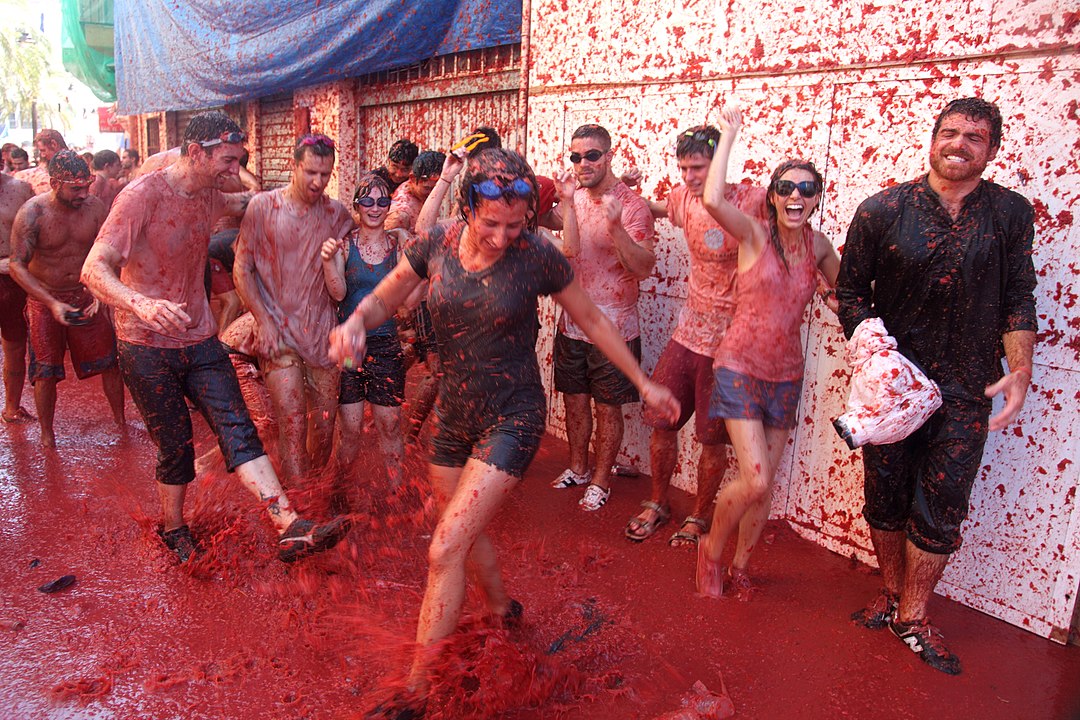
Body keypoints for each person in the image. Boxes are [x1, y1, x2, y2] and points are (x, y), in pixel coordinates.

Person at [329, 148, 678, 718]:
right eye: (490, 223)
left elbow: (591, 317)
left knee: (444, 547)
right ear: (467, 208)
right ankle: (502, 608)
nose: (501, 236)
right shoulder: (435, 244)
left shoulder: (537, 254)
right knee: (460, 531)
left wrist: (641, 380)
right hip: (455, 417)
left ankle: (415, 692)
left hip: (512, 415)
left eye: (515, 225)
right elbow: (385, 296)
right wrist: (353, 326)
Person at [81, 111, 349, 564]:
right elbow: (94, 268)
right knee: (175, 444)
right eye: (228, 161)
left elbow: (256, 203)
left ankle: (289, 525)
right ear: (195, 153)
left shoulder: (210, 194)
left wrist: (315, 203)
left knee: (238, 427)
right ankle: (173, 528)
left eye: (237, 160)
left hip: (200, 337)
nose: (233, 170)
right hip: (144, 342)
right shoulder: (140, 196)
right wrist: (140, 303)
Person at [836, 97, 1037, 675]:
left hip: (968, 387)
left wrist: (1018, 369)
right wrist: (874, 354)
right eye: (950, 132)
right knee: (885, 495)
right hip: (894, 387)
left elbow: (1018, 295)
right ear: (931, 140)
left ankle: (914, 616)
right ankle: (892, 593)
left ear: (992, 149)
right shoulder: (882, 209)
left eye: (975, 137)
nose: (960, 144)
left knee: (942, 507)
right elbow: (849, 293)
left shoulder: (1010, 213)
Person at [697, 106, 840, 601]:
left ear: (817, 198)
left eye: (806, 189)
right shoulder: (755, 234)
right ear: (773, 196)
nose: (795, 196)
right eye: (786, 188)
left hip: (786, 375)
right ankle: (711, 551)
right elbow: (713, 199)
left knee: (767, 482)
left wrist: (867, 334)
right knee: (754, 480)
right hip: (738, 366)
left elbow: (847, 299)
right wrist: (729, 137)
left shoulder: (820, 247)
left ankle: (741, 565)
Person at [625, 126, 765, 544]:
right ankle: (658, 503)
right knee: (662, 420)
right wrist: (625, 197)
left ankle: (701, 516)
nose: (689, 175)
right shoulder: (682, 197)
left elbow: (796, 222)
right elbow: (659, 209)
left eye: (698, 167)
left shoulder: (753, 200)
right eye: (683, 167)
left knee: (711, 437)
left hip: (731, 345)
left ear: (718, 162)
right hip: (687, 333)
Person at [233, 134, 353, 485]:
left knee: (325, 424)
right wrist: (263, 319)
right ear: (294, 165)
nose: (318, 182)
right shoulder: (263, 208)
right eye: (311, 172)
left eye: (326, 174)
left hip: (322, 333)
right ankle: (299, 508)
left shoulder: (336, 214)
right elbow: (243, 269)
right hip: (278, 333)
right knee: (292, 419)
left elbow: (361, 250)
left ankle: (313, 487)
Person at [549, 123, 656, 512]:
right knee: (574, 400)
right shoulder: (571, 197)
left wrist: (615, 229)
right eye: (575, 156)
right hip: (572, 322)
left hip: (615, 325)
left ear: (608, 155)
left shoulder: (631, 205)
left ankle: (600, 480)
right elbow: (548, 226)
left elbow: (644, 266)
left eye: (592, 155)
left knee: (607, 406)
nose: (583, 163)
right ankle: (578, 468)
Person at [8, 151, 125, 448]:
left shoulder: (96, 208)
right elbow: (16, 265)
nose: (84, 194)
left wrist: (103, 289)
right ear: (54, 183)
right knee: (45, 371)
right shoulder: (32, 213)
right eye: (76, 189)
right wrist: (51, 303)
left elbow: (110, 252)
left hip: (86, 295)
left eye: (87, 186)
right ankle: (48, 436)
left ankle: (121, 423)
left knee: (110, 363)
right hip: (45, 299)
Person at [321, 172, 405, 489]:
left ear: (389, 206)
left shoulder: (398, 244)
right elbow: (339, 293)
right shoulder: (344, 246)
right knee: (351, 427)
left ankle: (396, 491)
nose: (375, 207)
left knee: (389, 425)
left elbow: (404, 295)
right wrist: (329, 261)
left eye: (382, 201)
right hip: (349, 350)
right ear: (357, 205)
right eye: (367, 201)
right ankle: (340, 491)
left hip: (386, 347)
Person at [0, 170, 35, 423]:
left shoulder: (20, 188)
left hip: (12, 279)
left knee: (14, 345)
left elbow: (34, 231)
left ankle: (11, 407)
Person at [385, 150, 445, 233]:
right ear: (412, 178)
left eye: (437, 189)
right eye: (427, 188)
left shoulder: (422, 193)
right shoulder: (401, 214)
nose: (433, 194)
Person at [16, 129, 67, 195]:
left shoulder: (74, 164)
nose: (42, 155)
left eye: (43, 150)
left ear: (54, 144)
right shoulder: (46, 165)